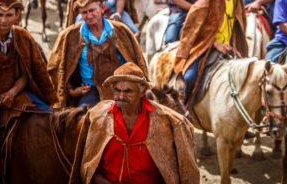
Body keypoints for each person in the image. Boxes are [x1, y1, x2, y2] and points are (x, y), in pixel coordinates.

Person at [69, 62, 199, 184]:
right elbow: (88, 167)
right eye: (117, 90)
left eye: (128, 91)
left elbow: (187, 171)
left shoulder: (171, 123)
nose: (121, 96)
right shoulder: (97, 117)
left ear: (142, 92)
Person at [0, 0, 57, 183]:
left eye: (9, 15)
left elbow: (31, 71)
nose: (4, 20)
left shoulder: (24, 37)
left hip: (17, 92)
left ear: (17, 15)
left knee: (50, 119)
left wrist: (13, 91)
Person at [49, 0, 146, 107]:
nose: (89, 16)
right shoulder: (71, 36)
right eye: (84, 13)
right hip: (90, 90)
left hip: (121, 88)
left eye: (92, 10)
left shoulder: (121, 30)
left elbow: (138, 60)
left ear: (102, 8)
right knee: (82, 119)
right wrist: (71, 90)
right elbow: (58, 68)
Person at [174, 0, 250, 100]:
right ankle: (181, 109)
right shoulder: (208, 1)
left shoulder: (238, 2)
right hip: (204, 48)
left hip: (229, 48)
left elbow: (238, 29)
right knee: (189, 78)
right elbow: (191, 29)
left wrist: (235, 46)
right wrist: (214, 43)